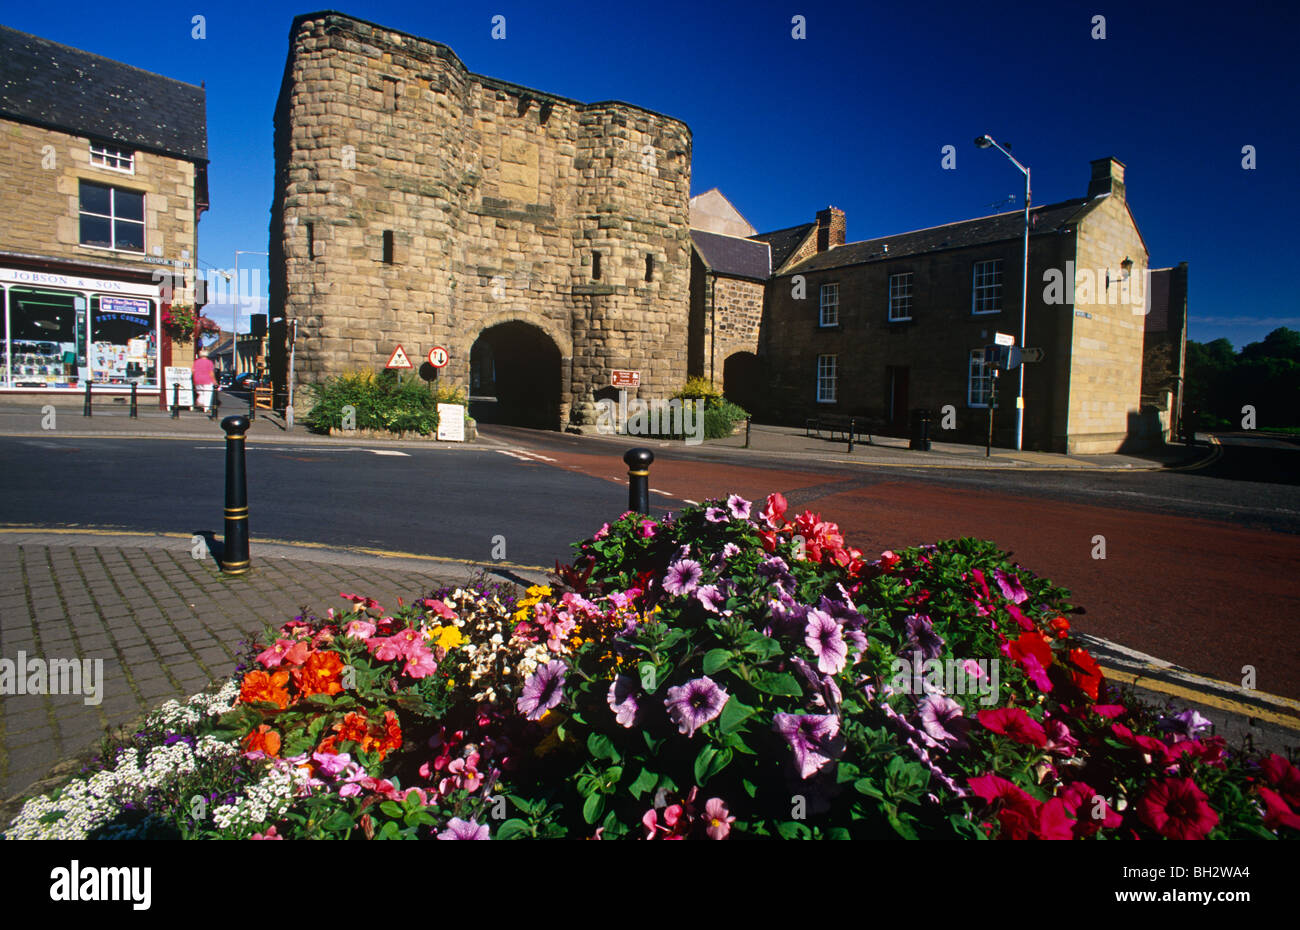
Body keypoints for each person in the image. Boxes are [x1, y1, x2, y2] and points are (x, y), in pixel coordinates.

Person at [193, 348, 216, 413]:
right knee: (207, 393)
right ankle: (206, 408)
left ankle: (200, 401)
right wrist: (214, 380)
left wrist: (194, 378)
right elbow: (211, 372)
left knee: (200, 393)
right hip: (207, 379)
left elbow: (193, 371)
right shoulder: (209, 362)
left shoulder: (196, 362)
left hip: (197, 379)